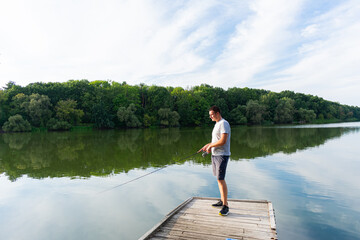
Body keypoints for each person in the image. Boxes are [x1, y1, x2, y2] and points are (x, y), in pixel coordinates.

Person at [199, 106, 231, 216]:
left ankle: (226, 206)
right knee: (218, 179)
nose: (210, 117)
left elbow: (223, 141)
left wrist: (211, 146)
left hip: (222, 155)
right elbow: (216, 141)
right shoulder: (217, 124)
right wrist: (207, 146)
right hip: (215, 155)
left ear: (217, 113)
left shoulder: (223, 123)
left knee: (220, 179)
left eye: (212, 114)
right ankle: (222, 200)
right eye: (210, 115)